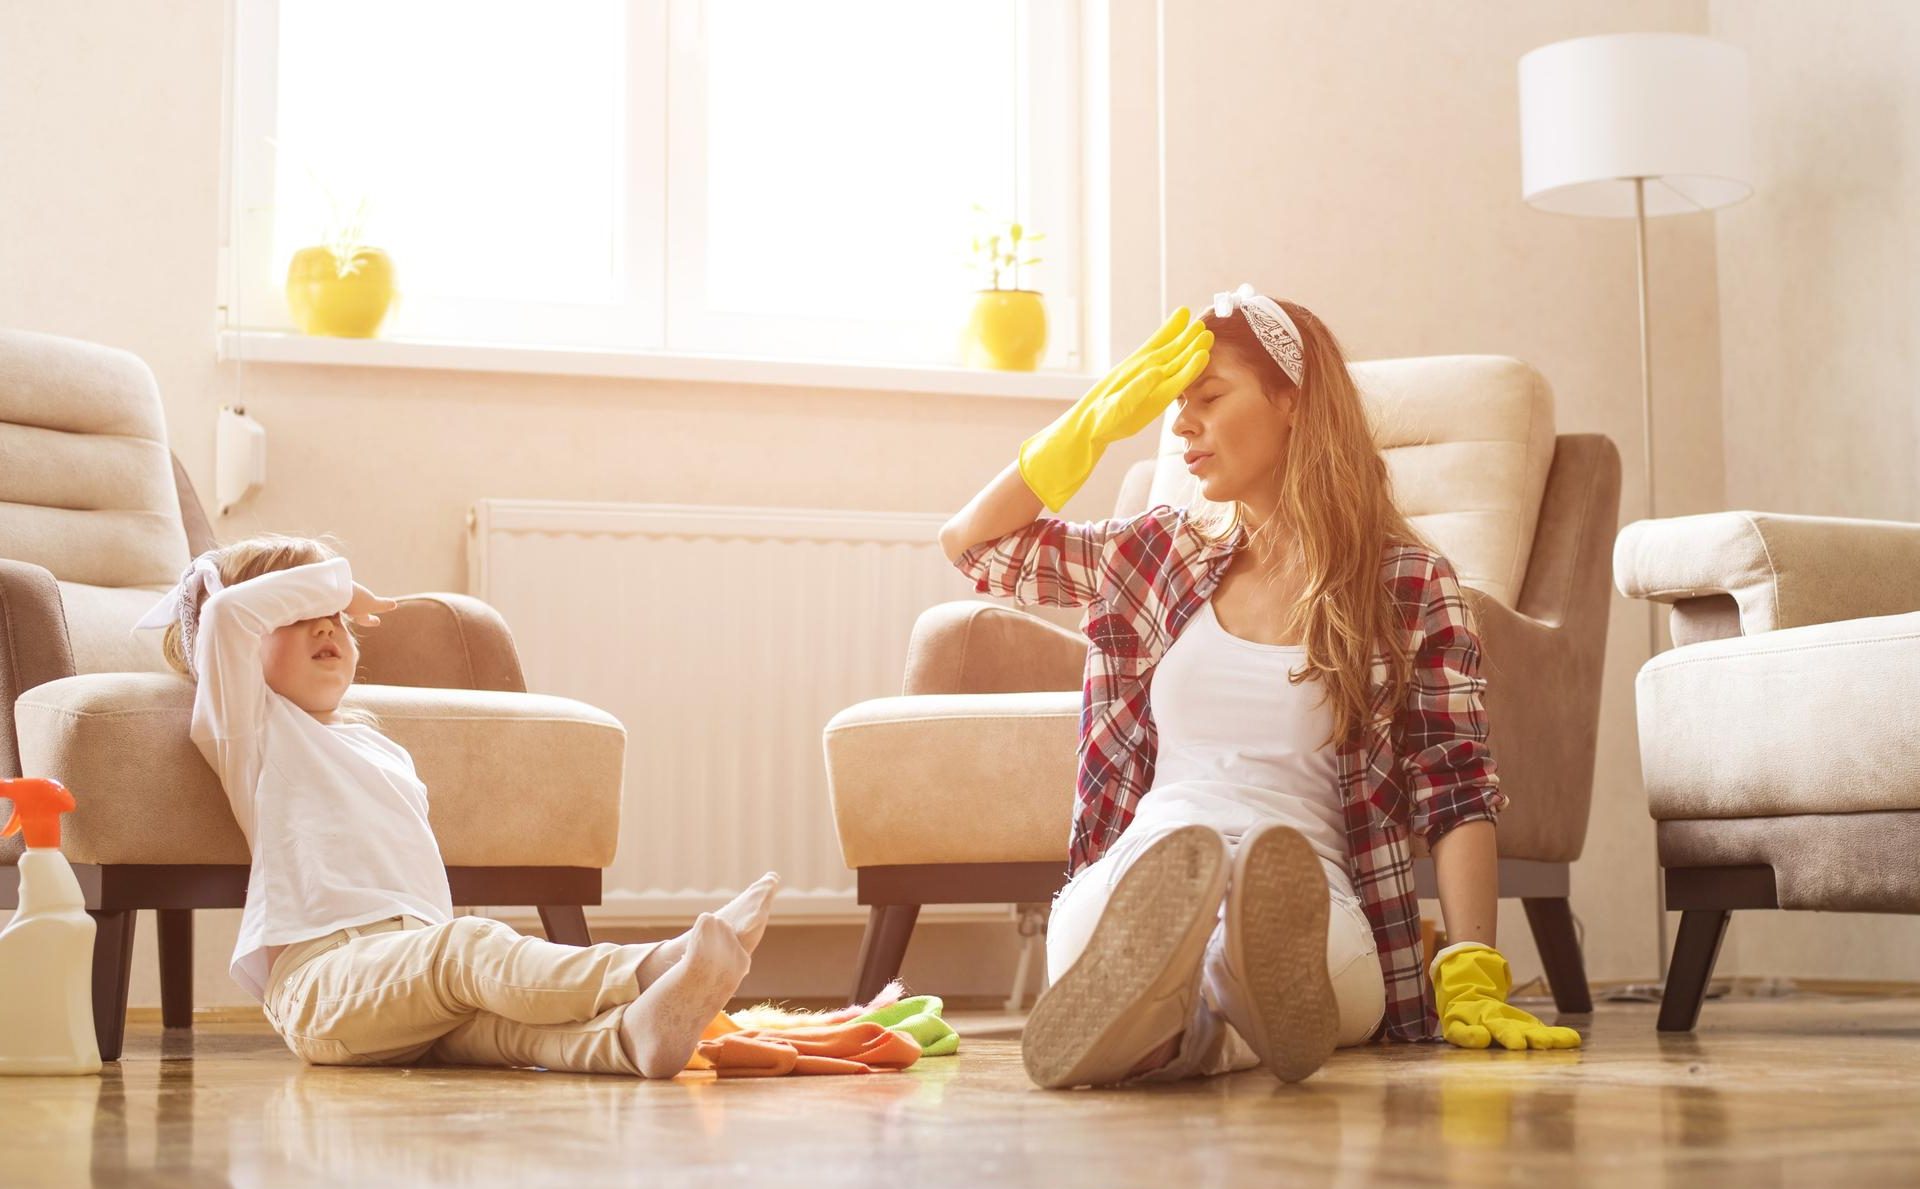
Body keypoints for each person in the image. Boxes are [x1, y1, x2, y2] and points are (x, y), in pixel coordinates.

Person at [938, 286, 1580, 1090]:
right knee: (1128, 921)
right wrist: (1091, 425)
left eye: (1208, 397)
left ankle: (1171, 1026)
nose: (1181, 426)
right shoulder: (1159, 552)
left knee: (1291, 948)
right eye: (1175, 406)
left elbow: (1454, 785)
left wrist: (1471, 958)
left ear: (1292, 402)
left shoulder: (1407, 583)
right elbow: (972, 546)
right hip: (1145, 867)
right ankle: (1216, 1023)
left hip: (1305, 890)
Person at [134, 534, 779, 1077]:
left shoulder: (378, 747)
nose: (327, 622)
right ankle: (648, 967)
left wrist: (319, 597)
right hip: (324, 984)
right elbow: (225, 619)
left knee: (507, 1028)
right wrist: (334, 583)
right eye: (297, 611)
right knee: (466, 949)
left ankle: (632, 1039)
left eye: (334, 617)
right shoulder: (250, 732)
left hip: (407, 978)